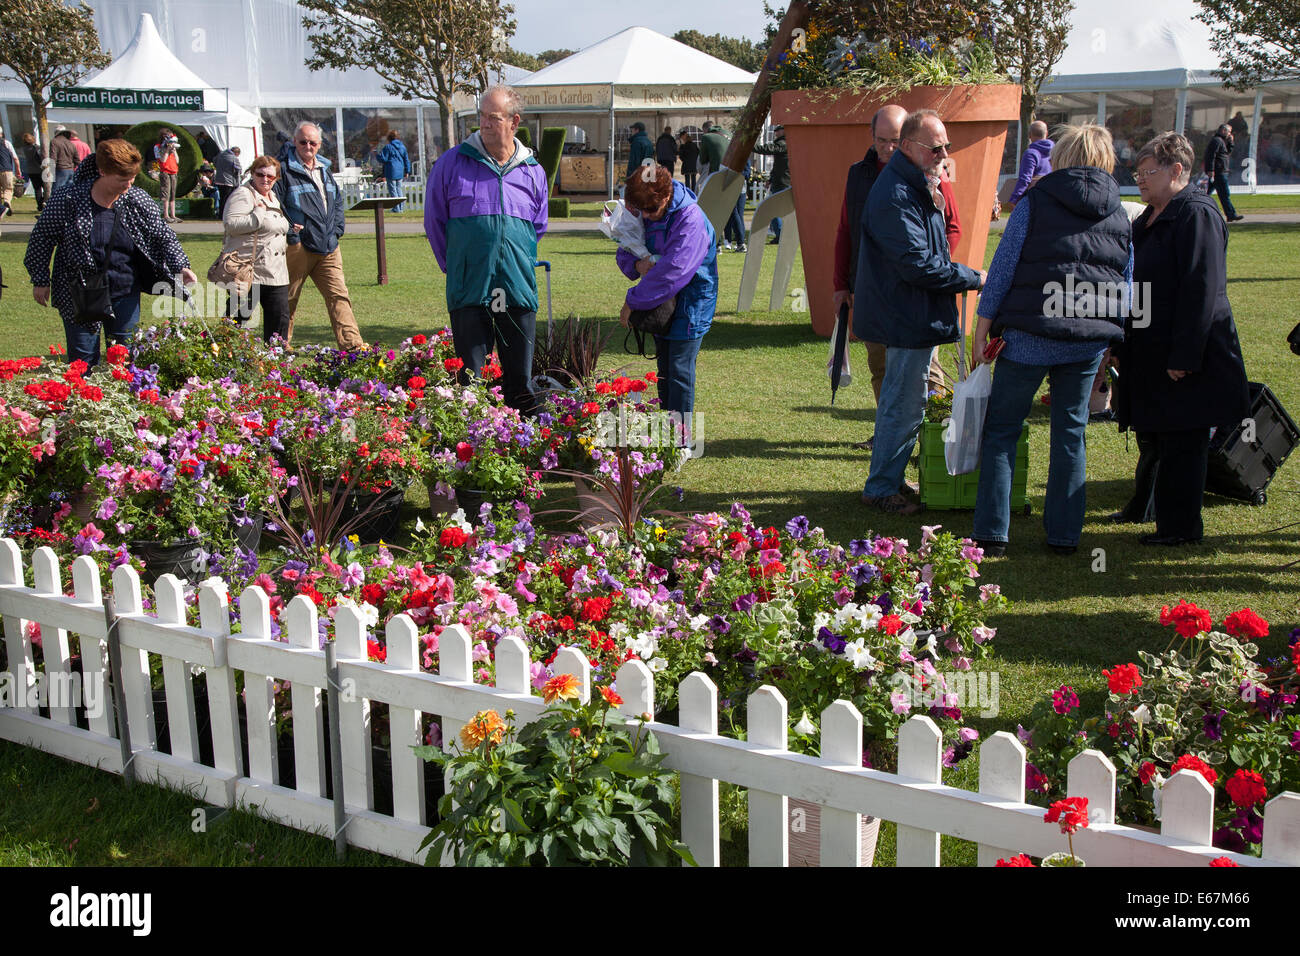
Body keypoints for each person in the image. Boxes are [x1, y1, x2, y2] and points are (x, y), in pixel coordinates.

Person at [969, 125, 1132, 557]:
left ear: (1060, 157)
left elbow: (1003, 267)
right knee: (1070, 435)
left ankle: (991, 533)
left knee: (1002, 430)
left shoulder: (1036, 201)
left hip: (1029, 335)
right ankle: (1064, 536)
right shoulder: (1120, 211)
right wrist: (1112, 337)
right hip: (1086, 340)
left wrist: (981, 327)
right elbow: (1126, 283)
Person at [1113, 132, 1250, 546]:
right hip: (1150, 346)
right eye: (1137, 173)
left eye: (1148, 172)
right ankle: (1145, 507)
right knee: (1154, 435)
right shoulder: (1149, 217)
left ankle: (1179, 529)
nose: (1141, 180)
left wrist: (1185, 354)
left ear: (1177, 170)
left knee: (1183, 441)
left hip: (1186, 351)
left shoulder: (1198, 213)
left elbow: (1201, 288)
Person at [854, 109, 986, 515]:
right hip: (905, 315)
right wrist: (972, 277)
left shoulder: (916, 183)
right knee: (903, 402)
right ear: (909, 147)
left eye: (946, 145)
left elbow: (932, 250)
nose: (944, 154)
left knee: (907, 400)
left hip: (911, 313)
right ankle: (881, 488)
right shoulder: (896, 192)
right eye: (936, 147)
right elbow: (916, 263)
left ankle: (888, 479)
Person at [425, 85, 548, 414]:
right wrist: (458, 264)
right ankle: (470, 450)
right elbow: (434, 222)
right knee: (470, 381)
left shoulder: (533, 171)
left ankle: (525, 449)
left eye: (493, 118)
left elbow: (537, 226)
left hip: (517, 287)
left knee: (520, 380)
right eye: (481, 116)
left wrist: (512, 256)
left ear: (514, 122)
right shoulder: (451, 164)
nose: (484, 124)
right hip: (470, 289)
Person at [24, 139, 195, 366]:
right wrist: (40, 279)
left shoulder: (136, 199)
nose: (129, 184)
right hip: (80, 290)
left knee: (126, 358)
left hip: (125, 289)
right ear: (102, 171)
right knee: (83, 359)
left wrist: (180, 265)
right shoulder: (68, 199)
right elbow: (41, 238)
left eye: (132, 177)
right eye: (123, 179)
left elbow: (163, 234)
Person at [616, 162, 716, 429]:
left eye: (651, 210)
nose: (646, 217)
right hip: (662, 303)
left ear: (667, 196)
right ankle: (667, 432)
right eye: (640, 211)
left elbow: (674, 271)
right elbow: (626, 245)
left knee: (679, 370)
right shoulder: (645, 206)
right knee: (664, 370)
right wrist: (637, 265)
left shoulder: (690, 219)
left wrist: (632, 300)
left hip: (692, 301)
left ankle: (681, 441)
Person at [835, 105, 907, 415]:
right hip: (869, 287)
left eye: (897, 140)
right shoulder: (858, 174)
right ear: (871, 136)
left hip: (911, 287)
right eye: (882, 141)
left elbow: (951, 227)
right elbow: (845, 230)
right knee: (879, 365)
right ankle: (887, 433)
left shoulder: (926, 171)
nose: (889, 149)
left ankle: (930, 439)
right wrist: (841, 284)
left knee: (920, 369)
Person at [276, 123, 363, 350]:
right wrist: (291, 235)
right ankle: (279, 347)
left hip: (328, 246)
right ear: (294, 141)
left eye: (313, 143)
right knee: (287, 299)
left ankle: (353, 347)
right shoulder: (283, 170)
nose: (308, 147)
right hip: (298, 247)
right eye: (303, 142)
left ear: (320, 145)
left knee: (339, 296)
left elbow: (336, 202)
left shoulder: (325, 168)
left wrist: (336, 230)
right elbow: (273, 205)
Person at [220, 155, 291, 343]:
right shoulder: (243, 194)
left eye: (271, 176)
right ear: (252, 173)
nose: (265, 179)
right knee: (237, 320)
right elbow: (231, 224)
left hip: (276, 272)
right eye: (260, 174)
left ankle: (275, 363)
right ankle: (221, 357)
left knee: (279, 321)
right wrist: (258, 214)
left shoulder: (273, 196)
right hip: (250, 271)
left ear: (276, 178)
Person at [752, 125, 789, 242]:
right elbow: (778, 166)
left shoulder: (783, 144)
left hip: (783, 183)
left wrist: (750, 146)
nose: (775, 133)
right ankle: (780, 234)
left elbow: (767, 149)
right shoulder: (785, 143)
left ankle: (780, 235)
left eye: (778, 130)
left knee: (773, 210)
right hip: (782, 181)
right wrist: (771, 179)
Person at [1203, 124, 1243, 222]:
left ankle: (1230, 214)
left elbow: (1226, 153)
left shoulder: (1222, 141)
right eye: (1228, 132)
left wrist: (1231, 142)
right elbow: (1211, 156)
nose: (1229, 134)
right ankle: (1231, 214)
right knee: (1224, 194)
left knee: (1207, 193)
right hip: (1218, 172)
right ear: (1223, 131)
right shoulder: (1217, 141)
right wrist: (1210, 169)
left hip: (1221, 171)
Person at [1008, 120, 1053, 205]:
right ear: (1046, 134)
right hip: (1052, 195)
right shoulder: (1056, 152)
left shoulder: (1031, 153)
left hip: (1035, 197)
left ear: (1029, 135)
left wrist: (1014, 199)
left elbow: (1025, 179)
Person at [376, 130, 413, 212]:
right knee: (399, 189)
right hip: (400, 170)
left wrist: (377, 155)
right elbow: (406, 160)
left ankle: (396, 208)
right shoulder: (403, 147)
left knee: (393, 190)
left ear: (389, 138)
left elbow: (383, 159)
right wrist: (407, 171)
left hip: (391, 170)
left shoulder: (388, 147)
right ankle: (401, 208)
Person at [154, 128, 181, 222]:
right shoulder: (157, 146)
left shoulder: (172, 147)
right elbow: (162, 160)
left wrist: (174, 151)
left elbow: (177, 161)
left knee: (173, 194)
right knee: (166, 194)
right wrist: (166, 150)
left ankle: (173, 215)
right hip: (165, 172)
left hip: (174, 171)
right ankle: (166, 215)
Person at [723, 157, 750, 252]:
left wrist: (737, 175)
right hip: (738, 187)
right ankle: (737, 241)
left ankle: (740, 242)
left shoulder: (742, 157)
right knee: (736, 215)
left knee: (736, 214)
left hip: (738, 188)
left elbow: (747, 173)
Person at [20, 133, 47, 212]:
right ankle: (44, 202)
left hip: (31, 170)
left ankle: (39, 205)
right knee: (45, 187)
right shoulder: (36, 148)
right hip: (39, 170)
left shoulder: (24, 148)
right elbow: (40, 157)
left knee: (37, 189)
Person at [214, 145, 243, 217]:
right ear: (236, 153)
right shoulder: (233, 158)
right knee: (228, 198)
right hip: (228, 181)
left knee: (221, 197)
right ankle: (226, 214)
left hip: (219, 180)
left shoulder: (220, 154)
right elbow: (239, 169)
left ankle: (220, 214)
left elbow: (214, 161)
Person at [50, 129, 80, 194]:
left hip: (60, 170)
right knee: (69, 192)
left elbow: (53, 157)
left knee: (56, 192)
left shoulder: (54, 141)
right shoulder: (70, 143)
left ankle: (55, 204)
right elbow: (77, 160)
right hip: (71, 170)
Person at [0, 127, 19, 218]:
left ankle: (2, 208)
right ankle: (7, 202)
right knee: (8, 189)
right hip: (7, 170)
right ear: (1, 133)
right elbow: (15, 158)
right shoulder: (6, 143)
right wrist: (18, 170)